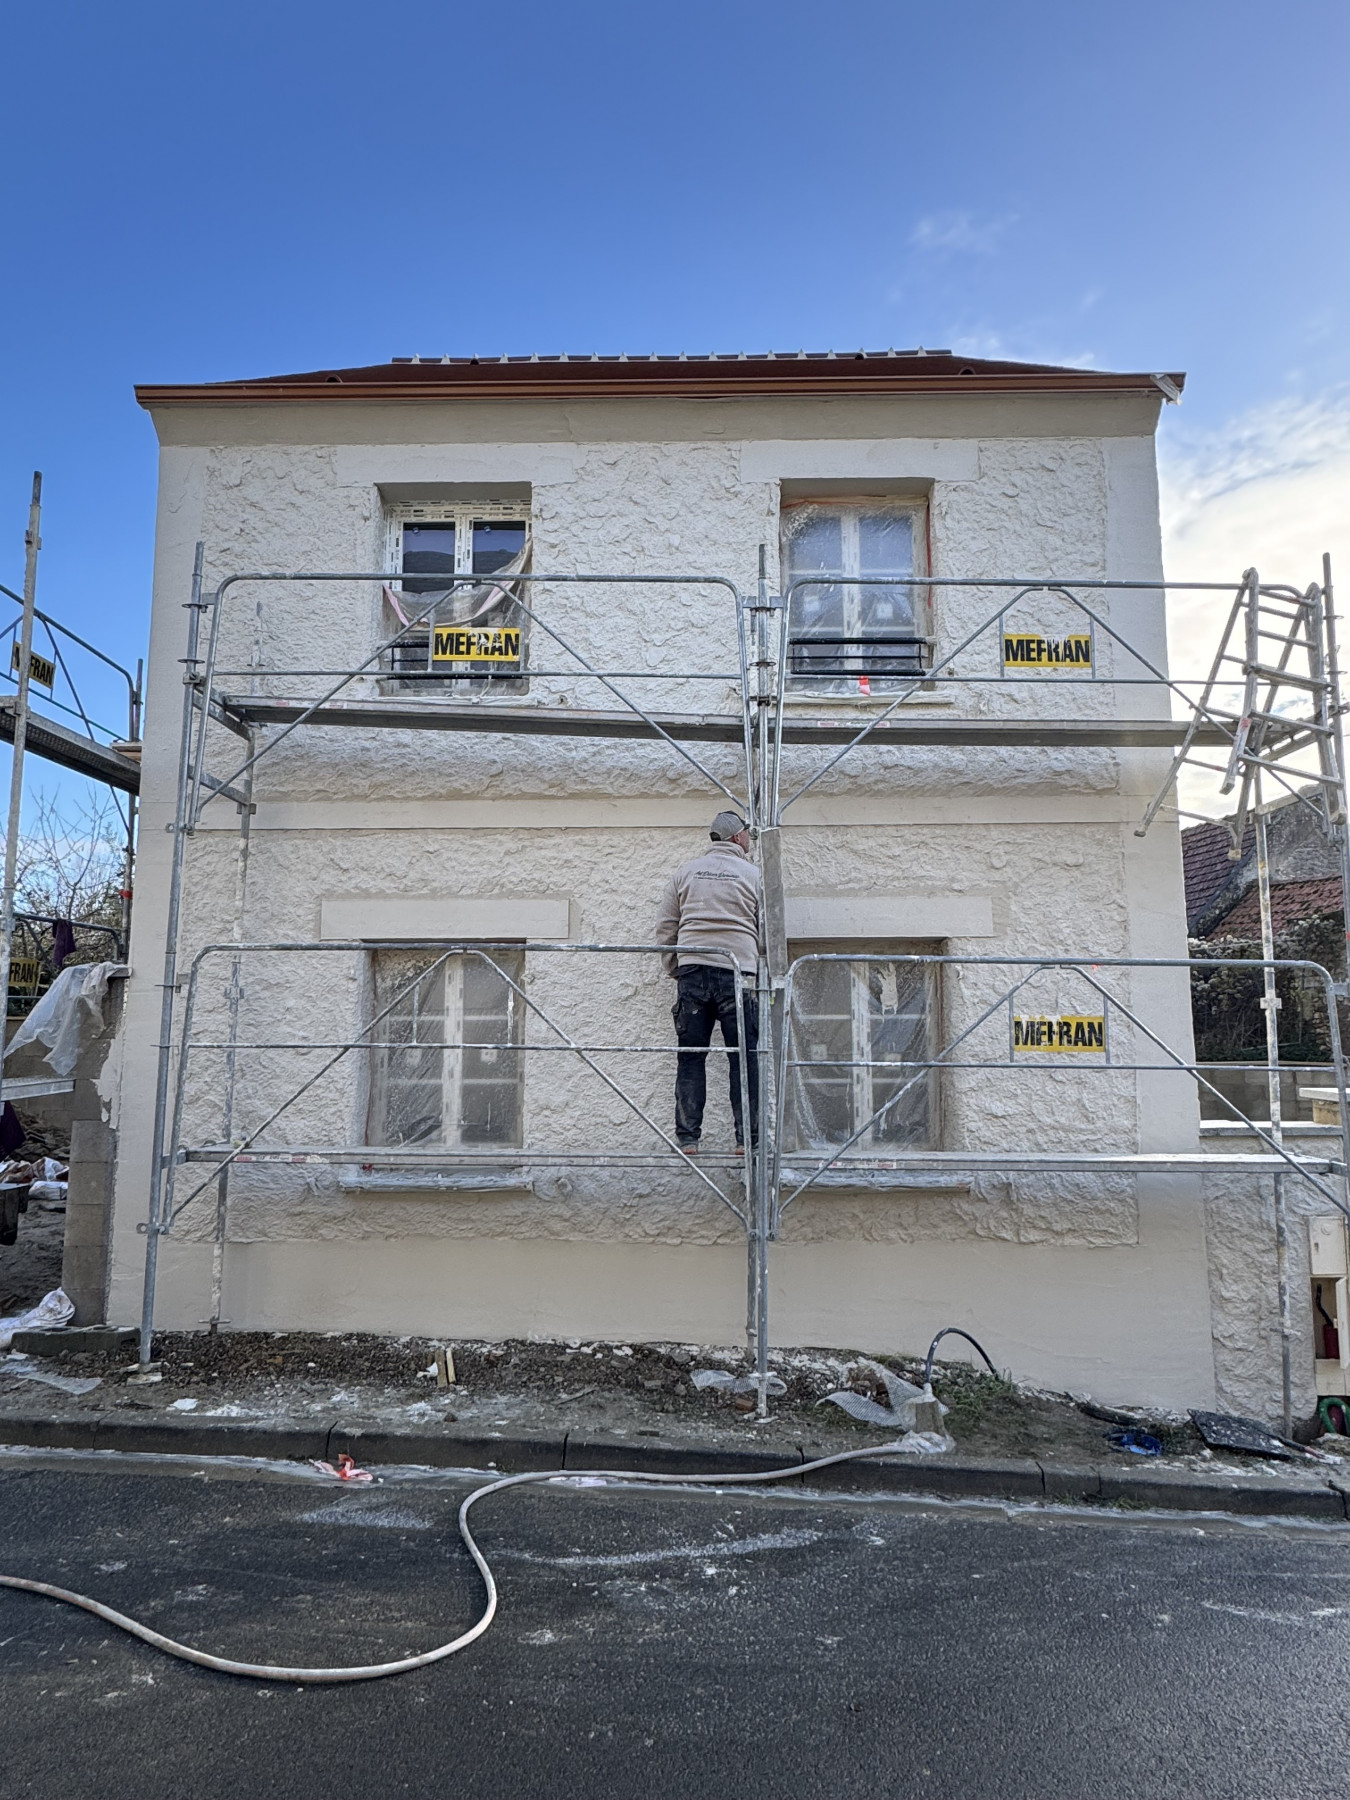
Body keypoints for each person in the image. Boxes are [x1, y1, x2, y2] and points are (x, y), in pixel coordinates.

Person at [654, 810, 761, 1154]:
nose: (749, 839)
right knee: (744, 1058)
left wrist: (677, 967)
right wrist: (756, 964)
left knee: (691, 1056)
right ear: (737, 837)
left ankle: (688, 1138)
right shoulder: (753, 875)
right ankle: (747, 1140)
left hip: (694, 972)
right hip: (737, 973)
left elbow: (666, 927)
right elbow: (770, 928)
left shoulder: (685, 872)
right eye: (747, 834)